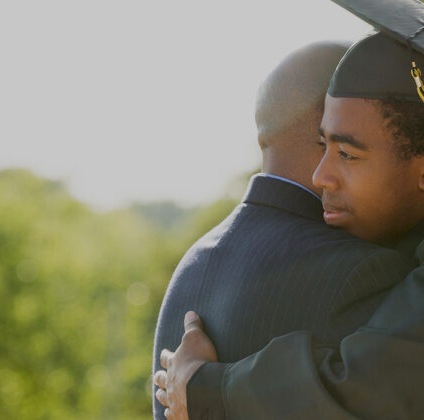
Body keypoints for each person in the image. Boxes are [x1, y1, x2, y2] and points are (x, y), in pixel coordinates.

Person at [155, 2, 424, 418]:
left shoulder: (190, 269)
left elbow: (371, 382)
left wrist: (208, 389)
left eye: (347, 152)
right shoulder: (367, 270)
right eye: (325, 145)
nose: (322, 176)